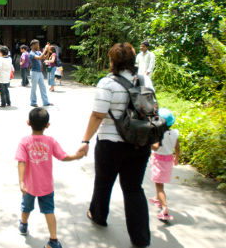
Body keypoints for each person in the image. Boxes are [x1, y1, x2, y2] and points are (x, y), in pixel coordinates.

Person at [78, 42, 154, 248]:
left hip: (110, 143)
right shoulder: (145, 80)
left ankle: (98, 215)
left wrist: (85, 140)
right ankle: (140, 238)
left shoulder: (107, 83)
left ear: (112, 61)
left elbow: (97, 114)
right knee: (133, 188)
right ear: (132, 60)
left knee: (104, 182)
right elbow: (151, 109)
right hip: (139, 143)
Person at [15, 107, 85, 248]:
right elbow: (63, 156)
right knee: (49, 210)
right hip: (46, 186)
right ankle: (53, 240)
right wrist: (77, 156)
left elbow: (21, 162)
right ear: (47, 125)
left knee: (26, 206)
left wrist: (21, 182)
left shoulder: (24, 142)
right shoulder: (50, 141)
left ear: (28, 123)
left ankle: (23, 225)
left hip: (29, 186)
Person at [149, 108, 180, 222]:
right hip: (168, 160)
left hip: (159, 161)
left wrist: (148, 143)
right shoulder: (175, 133)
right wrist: (177, 157)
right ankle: (157, 198)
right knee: (161, 182)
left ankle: (164, 208)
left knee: (159, 186)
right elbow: (177, 147)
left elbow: (155, 147)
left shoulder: (158, 134)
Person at [29, 40, 53, 107]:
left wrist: (48, 50)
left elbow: (45, 57)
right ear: (33, 45)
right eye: (37, 44)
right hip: (34, 72)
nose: (38, 46)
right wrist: (45, 49)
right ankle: (33, 102)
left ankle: (46, 102)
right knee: (34, 88)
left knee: (43, 87)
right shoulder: (31, 53)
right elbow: (39, 58)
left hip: (39, 72)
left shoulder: (38, 52)